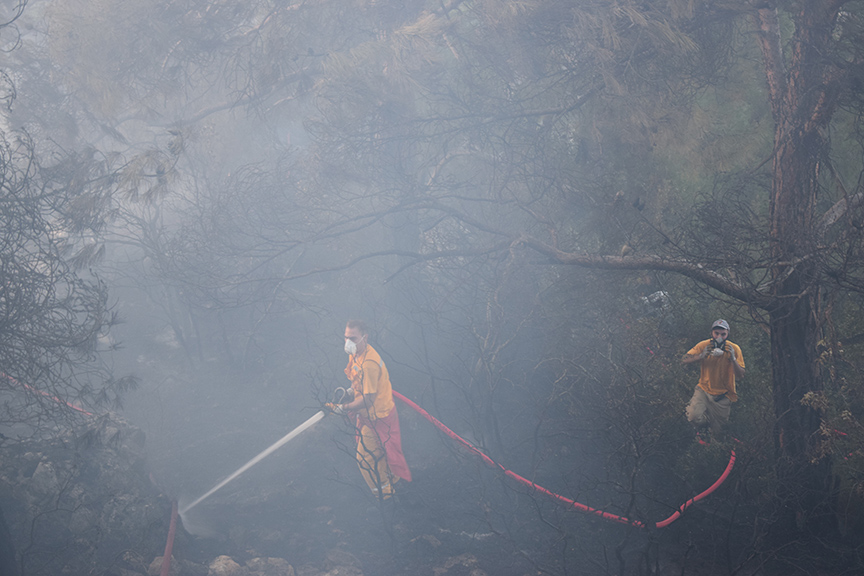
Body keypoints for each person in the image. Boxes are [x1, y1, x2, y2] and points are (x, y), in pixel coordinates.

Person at [327, 320, 411, 500]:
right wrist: (350, 391)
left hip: (379, 417)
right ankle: (393, 485)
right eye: (346, 337)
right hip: (369, 416)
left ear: (364, 337)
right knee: (380, 453)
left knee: (365, 458)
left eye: (352, 338)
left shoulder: (370, 364)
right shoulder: (356, 354)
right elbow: (358, 381)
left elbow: (368, 399)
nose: (348, 342)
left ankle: (386, 497)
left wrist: (343, 408)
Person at [681, 319, 745, 440]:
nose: (719, 337)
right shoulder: (704, 345)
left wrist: (733, 359)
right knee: (693, 417)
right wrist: (701, 356)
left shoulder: (734, 349)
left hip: (723, 397)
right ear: (711, 333)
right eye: (716, 333)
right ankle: (704, 426)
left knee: (719, 435)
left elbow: (741, 375)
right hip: (703, 390)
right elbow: (683, 359)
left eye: (723, 334)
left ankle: (711, 433)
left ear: (728, 334)